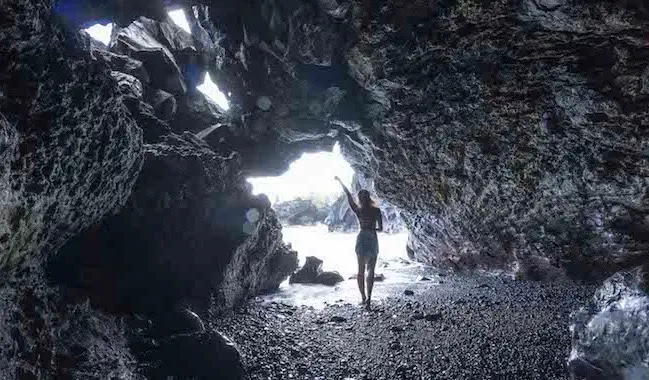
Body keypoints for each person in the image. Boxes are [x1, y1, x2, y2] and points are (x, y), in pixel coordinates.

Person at [334, 176, 383, 310]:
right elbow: (381, 228)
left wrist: (340, 182)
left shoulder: (358, 210)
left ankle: (362, 297)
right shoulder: (376, 211)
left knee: (360, 271)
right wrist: (373, 228)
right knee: (371, 270)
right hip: (372, 238)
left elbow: (348, 195)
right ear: (369, 197)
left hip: (361, 237)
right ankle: (369, 300)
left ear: (360, 199)